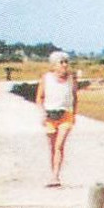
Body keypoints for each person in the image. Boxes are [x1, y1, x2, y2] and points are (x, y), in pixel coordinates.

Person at [36, 51, 78, 187]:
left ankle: (56, 176)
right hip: (50, 115)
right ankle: (53, 173)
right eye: (61, 62)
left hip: (66, 115)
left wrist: (74, 114)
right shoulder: (46, 78)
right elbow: (39, 97)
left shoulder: (71, 79)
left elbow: (75, 97)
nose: (65, 65)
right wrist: (42, 113)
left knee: (59, 146)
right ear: (54, 65)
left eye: (66, 62)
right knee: (53, 147)